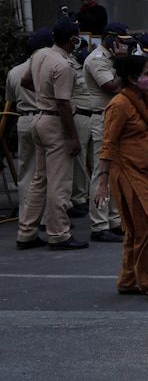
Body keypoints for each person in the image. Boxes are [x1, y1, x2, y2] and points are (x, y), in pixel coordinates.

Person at [95, 55, 148, 300]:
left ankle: (128, 279)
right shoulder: (119, 104)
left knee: (136, 230)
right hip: (129, 174)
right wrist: (102, 183)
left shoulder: (145, 98)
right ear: (131, 78)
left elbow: (143, 127)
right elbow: (108, 144)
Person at [16, 19, 88, 250]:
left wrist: (44, 94)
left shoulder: (40, 55)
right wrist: (74, 138)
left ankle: (26, 232)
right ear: (72, 39)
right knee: (59, 182)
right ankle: (59, 234)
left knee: (40, 179)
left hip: (38, 117)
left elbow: (26, 81)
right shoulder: (64, 66)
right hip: (55, 122)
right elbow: (64, 105)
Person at [80, 22, 137, 243]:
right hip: (102, 118)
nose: (125, 47)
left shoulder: (111, 59)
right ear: (112, 40)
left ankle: (114, 219)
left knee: (116, 171)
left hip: (116, 118)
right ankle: (99, 224)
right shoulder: (97, 60)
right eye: (122, 43)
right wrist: (125, 64)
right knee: (101, 170)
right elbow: (111, 86)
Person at [6, 29, 53, 213]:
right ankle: (46, 217)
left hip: (23, 120)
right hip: (46, 118)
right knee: (49, 170)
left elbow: (10, 98)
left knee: (26, 171)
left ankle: (26, 213)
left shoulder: (14, 71)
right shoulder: (47, 67)